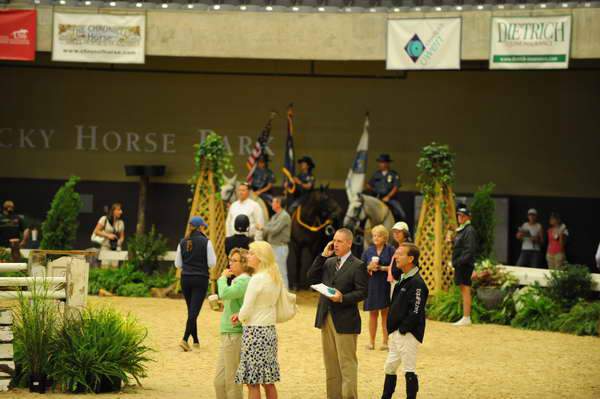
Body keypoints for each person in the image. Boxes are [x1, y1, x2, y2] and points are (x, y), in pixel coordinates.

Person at [307, 228, 368, 399]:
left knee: (347, 364)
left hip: (346, 320)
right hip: (326, 317)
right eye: (334, 240)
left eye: (340, 241)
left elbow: (363, 292)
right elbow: (311, 278)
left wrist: (343, 298)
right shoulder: (328, 262)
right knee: (331, 364)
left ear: (349, 243)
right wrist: (322, 256)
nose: (335, 244)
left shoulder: (358, 265)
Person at [234, 241, 283, 399]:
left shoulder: (256, 279)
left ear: (260, 257)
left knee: (252, 382)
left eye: (251, 253)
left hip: (255, 333)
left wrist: (239, 316)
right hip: (269, 331)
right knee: (268, 381)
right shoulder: (274, 277)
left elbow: (246, 310)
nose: (247, 256)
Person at [381, 242, 428, 399]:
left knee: (409, 369)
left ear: (410, 259)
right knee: (390, 366)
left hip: (407, 333)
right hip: (395, 332)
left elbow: (416, 310)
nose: (396, 257)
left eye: (400, 254)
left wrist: (403, 329)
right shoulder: (402, 278)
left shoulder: (418, 283)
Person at [214, 248, 253, 399]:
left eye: (234, 260)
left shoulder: (244, 281)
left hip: (235, 334)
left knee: (232, 381)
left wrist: (222, 278)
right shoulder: (238, 281)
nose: (230, 263)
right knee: (219, 382)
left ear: (244, 263)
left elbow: (224, 293)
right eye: (230, 260)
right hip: (227, 332)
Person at [175, 216, 217, 351]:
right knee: (194, 312)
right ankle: (185, 339)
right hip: (200, 279)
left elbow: (178, 264)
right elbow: (212, 263)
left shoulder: (182, 242)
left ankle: (196, 340)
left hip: (185, 279)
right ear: (200, 227)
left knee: (192, 311)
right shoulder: (206, 242)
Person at [362, 225, 395, 351]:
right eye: (374, 235)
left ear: (385, 238)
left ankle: (385, 342)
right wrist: (369, 268)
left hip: (385, 284)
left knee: (385, 314)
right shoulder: (368, 251)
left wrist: (382, 268)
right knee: (373, 314)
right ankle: (371, 342)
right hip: (372, 285)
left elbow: (395, 267)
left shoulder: (391, 250)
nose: (376, 238)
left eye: (379, 235)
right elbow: (361, 268)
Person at [449, 205, 477, 326]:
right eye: (459, 215)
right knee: (463, 289)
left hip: (464, 265)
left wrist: (459, 261)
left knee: (465, 289)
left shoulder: (469, 230)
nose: (459, 217)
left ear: (467, 217)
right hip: (460, 264)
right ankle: (465, 317)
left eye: (462, 215)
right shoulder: (462, 229)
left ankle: (466, 317)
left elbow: (469, 250)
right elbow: (459, 246)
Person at [258, 196, 291, 288]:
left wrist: (262, 227)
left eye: (273, 202)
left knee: (281, 272)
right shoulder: (275, 216)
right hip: (273, 247)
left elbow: (274, 230)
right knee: (272, 272)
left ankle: (285, 295)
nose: (271, 204)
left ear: (278, 204)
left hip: (280, 247)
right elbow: (269, 227)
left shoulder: (284, 216)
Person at [366, 154, 405, 222]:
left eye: (383, 162)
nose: (381, 164)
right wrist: (367, 185)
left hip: (390, 199)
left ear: (387, 163)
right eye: (380, 162)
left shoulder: (393, 174)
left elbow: (396, 187)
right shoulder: (376, 174)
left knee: (401, 213)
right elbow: (370, 185)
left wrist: (388, 197)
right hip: (377, 198)